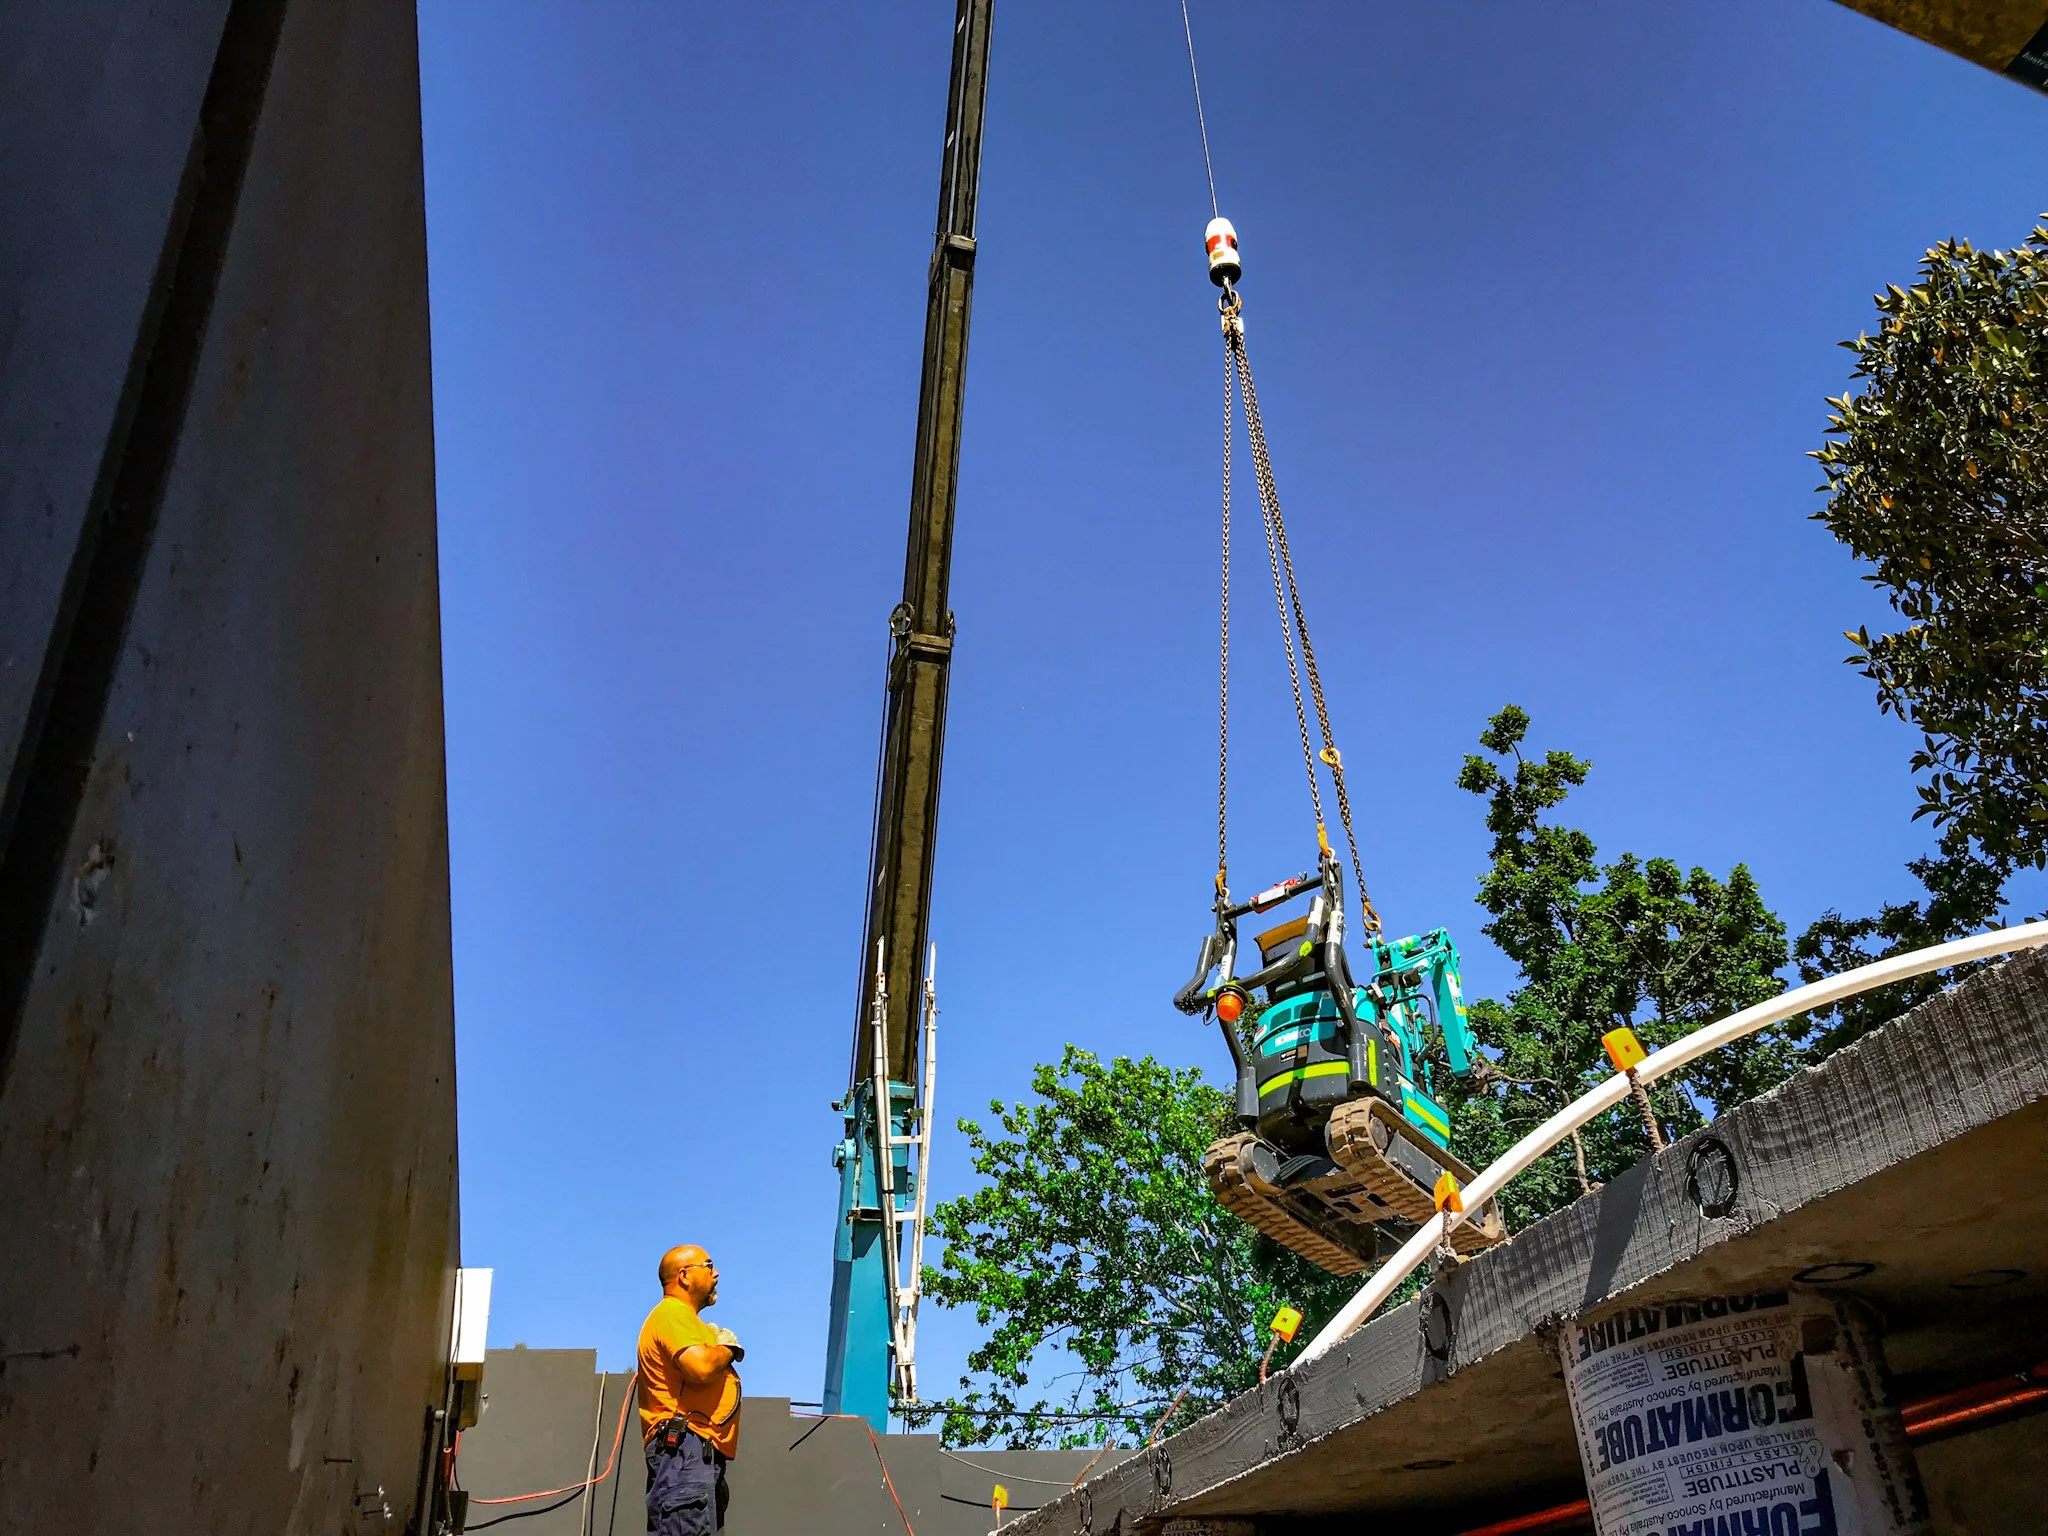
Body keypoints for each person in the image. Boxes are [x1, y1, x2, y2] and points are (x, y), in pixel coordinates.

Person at [637, 1245, 743, 1535]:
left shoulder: (685, 1321)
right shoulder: (672, 1314)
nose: (716, 1273)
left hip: (694, 1453)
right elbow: (701, 1368)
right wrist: (727, 1349)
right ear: (684, 1276)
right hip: (685, 1451)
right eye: (708, 1266)